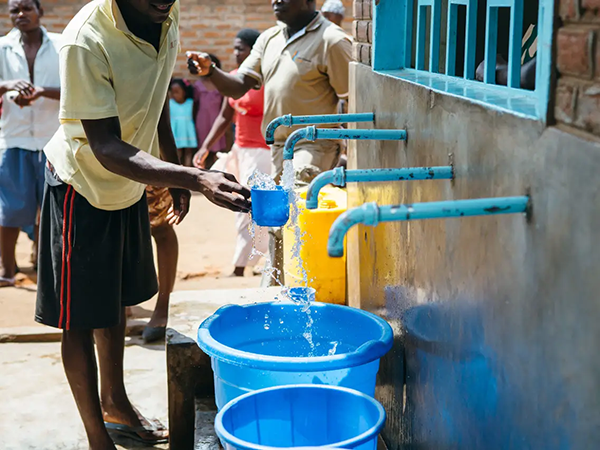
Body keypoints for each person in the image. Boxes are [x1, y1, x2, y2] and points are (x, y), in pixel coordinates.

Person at [36, 0, 250, 448]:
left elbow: (153, 106)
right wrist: (191, 177)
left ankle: (116, 403)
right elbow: (105, 146)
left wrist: (171, 172)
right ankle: (99, 438)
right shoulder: (86, 40)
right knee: (78, 318)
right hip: (83, 185)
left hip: (128, 183)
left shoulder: (164, 17)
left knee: (113, 299)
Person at [187, 0, 352, 286]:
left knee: (297, 203)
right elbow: (239, 86)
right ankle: (278, 285)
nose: (276, 0)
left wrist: (349, 150)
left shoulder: (332, 41)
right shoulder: (269, 38)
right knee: (274, 216)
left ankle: (308, 286)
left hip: (313, 144)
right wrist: (210, 71)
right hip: (277, 146)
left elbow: (352, 99)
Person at [195, 28, 270, 277]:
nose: (236, 53)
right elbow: (226, 116)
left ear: (254, 51)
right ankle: (250, 262)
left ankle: (241, 266)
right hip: (240, 150)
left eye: (241, 49)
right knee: (240, 204)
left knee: (247, 205)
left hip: (262, 153)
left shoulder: (266, 80)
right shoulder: (235, 79)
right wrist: (206, 147)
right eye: (235, 48)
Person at [0, 0, 61, 288]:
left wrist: (41, 92)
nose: (20, 14)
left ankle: (52, 267)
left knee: (54, 210)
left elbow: (77, 89)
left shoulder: (62, 46)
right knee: (11, 211)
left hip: (55, 142)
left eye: (26, 8)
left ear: (40, 12)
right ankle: (7, 269)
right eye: (15, 10)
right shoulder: (2, 47)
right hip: (15, 139)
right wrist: (8, 85)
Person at [193, 54, 226, 169]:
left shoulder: (221, 85)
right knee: (203, 144)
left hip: (217, 118)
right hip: (202, 120)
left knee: (217, 145)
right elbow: (195, 105)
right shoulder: (198, 85)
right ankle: (202, 168)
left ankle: (218, 169)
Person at [169, 78, 197, 167]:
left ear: (184, 92)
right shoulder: (170, 103)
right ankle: (177, 168)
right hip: (176, 131)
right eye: (173, 92)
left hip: (187, 130)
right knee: (177, 151)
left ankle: (187, 168)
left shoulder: (190, 103)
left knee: (188, 151)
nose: (174, 95)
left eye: (177, 92)